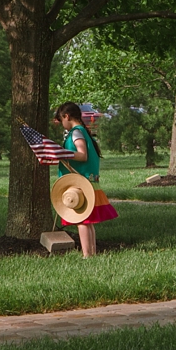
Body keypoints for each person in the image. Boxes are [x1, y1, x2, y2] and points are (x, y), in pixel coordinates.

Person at [54, 101, 118, 258]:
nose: (62, 124)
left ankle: (87, 255)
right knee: (87, 221)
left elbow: (82, 154)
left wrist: (63, 153)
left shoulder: (76, 132)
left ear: (66, 116)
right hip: (88, 181)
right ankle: (92, 253)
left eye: (61, 120)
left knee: (81, 219)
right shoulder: (83, 131)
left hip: (80, 182)